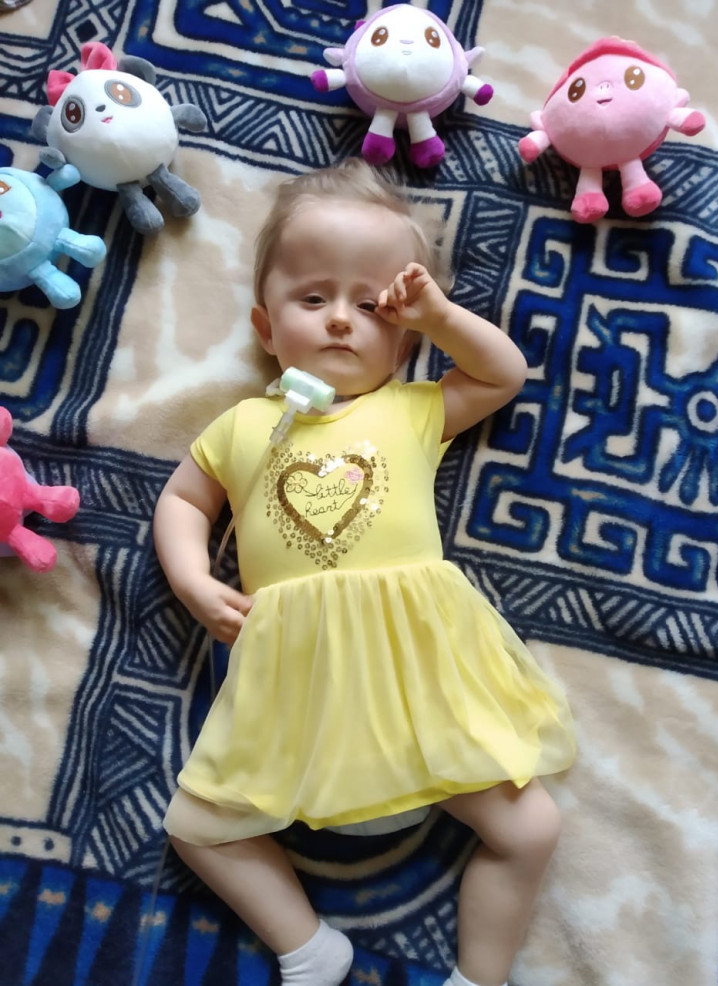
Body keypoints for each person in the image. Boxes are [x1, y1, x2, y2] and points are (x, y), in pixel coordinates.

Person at [153, 157, 576, 986]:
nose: (343, 319)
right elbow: (182, 503)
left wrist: (440, 314)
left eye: (373, 305)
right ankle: (309, 947)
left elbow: (503, 374)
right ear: (265, 325)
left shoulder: (411, 410)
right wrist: (194, 580)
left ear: (405, 338)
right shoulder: (244, 425)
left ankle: (480, 975)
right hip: (298, 687)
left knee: (530, 829)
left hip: (417, 683)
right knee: (195, 827)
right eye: (313, 299)